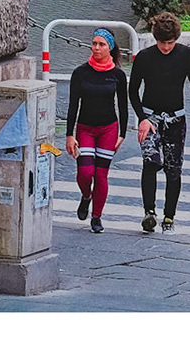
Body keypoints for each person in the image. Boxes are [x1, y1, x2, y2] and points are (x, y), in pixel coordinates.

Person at [129, 11, 190, 233]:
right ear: (155, 39)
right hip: (151, 118)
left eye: (170, 43)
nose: (166, 47)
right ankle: (149, 212)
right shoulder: (145, 57)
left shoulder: (186, 55)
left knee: (173, 169)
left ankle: (169, 216)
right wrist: (143, 118)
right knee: (151, 161)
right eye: (162, 43)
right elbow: (133, 91)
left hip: (176, 119)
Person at [65, 28, 130, 233]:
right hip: (85, 128)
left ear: (110, 47)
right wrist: (69, 135)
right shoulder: (80, 73)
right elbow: (73, 105)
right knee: (85, 172)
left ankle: (97, 217)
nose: (96, 48)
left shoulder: (118, 75)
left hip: (108, 129)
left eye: (101, 44)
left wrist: (122, 133)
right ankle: (86, 196)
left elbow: (123, 106)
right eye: (94, 43)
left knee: (101, 175)